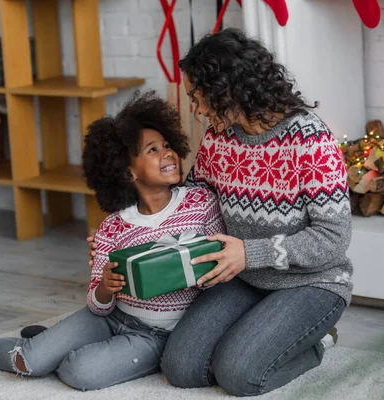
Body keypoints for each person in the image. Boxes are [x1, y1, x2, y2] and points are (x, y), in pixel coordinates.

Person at [89, 28, 353, 396]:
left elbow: (333, 239)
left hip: (309, 283)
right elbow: (191, 197)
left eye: (198, 98)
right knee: (181, 368)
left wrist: (248, 253)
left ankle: (316, 344)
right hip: (243, 278)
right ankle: (260, 335)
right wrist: (126, 229)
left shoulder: (309, 139)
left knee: (238, 375)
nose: (195, 110)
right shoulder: (219, 139)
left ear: (227, 89)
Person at [0, 91, 225, 391]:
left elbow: (219, 265)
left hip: (157, 335)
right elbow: (97, 305)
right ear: (127, 170)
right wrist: (107, 285)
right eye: (153, 150)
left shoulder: (200, 203)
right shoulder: (113, 227)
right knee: (31, 361)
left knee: (79, 372)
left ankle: (48, 343)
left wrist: (190, 268)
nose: (168, 153)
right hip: (111, 319)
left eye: (168, 145)